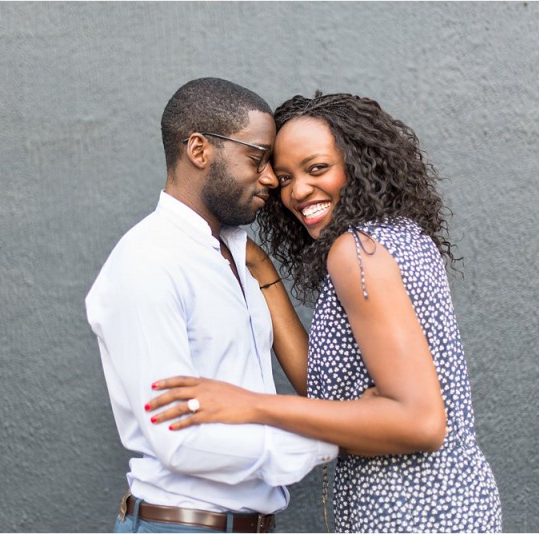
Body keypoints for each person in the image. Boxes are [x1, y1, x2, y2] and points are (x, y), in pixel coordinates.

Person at [147, 92, 503, 532]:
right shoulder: (400, 237)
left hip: (410, 518)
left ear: (360, 162)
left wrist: (250, 406)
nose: (297, 191)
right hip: (454, 506)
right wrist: (259, 267)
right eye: (284, 177)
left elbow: (419, 422)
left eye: (317, 169)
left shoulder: (356, 252)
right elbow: (328, 394)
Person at [85, 79, 337, 533]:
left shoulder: (237, 255)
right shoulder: (148, 263)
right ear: (199, 150)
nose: (269, 178)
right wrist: (337, 439)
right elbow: (177, 439)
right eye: (257, 159)